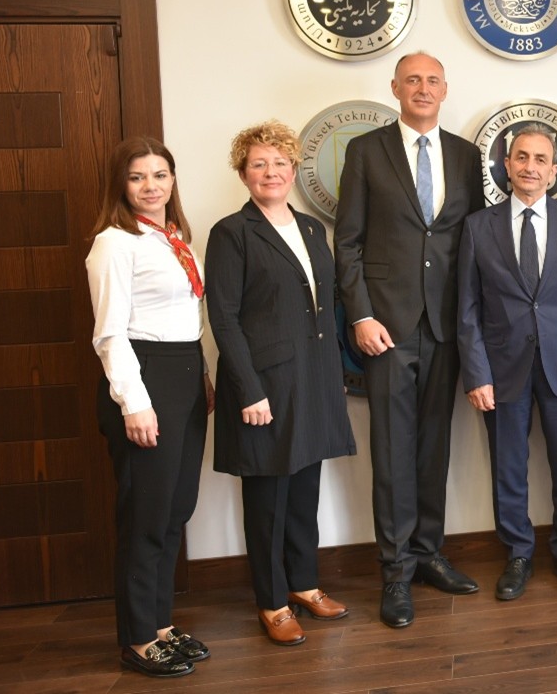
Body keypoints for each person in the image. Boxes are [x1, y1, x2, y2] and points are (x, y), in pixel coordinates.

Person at [334, 51, 486, 628]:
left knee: (433, 447)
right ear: (395, 87)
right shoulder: (365, 151)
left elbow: (474, 242)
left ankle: (428, 554)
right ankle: (395, 571)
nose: (423, 88)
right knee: (393, 451)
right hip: (387, 328)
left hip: (446, 325)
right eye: (413, 80)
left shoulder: (466, 156)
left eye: (433, 81)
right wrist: (361, 315)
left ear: (445, 90)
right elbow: (347, 242)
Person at [205, 121, 357, 645]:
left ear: (293, 169)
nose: (271, 172)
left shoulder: (312, 228)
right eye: (258, 164)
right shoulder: (232, 232)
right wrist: (249, 389)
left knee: (304, 493)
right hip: (264, 387)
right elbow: (224, 319)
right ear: (243, 174)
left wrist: (333, 375)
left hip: (312, 380)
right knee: (268, 499)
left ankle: (304, 584)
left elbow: (326, 307)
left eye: (279, 163)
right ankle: (272, 602)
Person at [86, 136, 213, 678]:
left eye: (160, 174)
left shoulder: (173, 237)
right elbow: (110, 334)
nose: (150, 186)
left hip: (184, 376)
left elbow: (187, 318)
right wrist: (134, 404)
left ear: (172, 179)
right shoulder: (114, 243)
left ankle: (161, 625)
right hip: (144, 381)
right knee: (145, 515)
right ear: (121, 184)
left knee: (174, 510)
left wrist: (201, 377)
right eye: (137, 176)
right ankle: (138, 639)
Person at [457, 124, 557, 601]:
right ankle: (518, 553)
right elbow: (467, 308)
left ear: (554, 171)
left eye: (540, 159)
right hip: (501, 370)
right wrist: (477, 374)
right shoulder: (478, 226)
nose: (530, 167)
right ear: (507, 164)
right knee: (508, 468)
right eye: (521, 157)